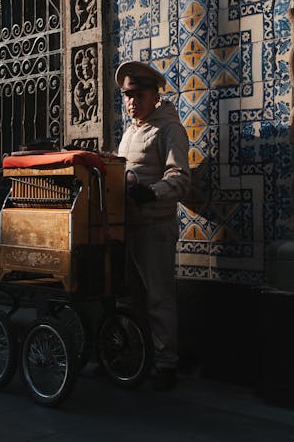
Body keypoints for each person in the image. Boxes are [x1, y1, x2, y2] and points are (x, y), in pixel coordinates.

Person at [116, 60, 190, 391]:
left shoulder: (169, 129)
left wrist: (152, 192)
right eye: (127, 95)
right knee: (129, 296)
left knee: (159, 298)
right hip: (128, 226)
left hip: (155, 227)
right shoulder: (131, 130)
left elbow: (180, 178)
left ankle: (166, 365)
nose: (132, 101)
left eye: (138, 94)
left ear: (154, 94)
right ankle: (135, 357)